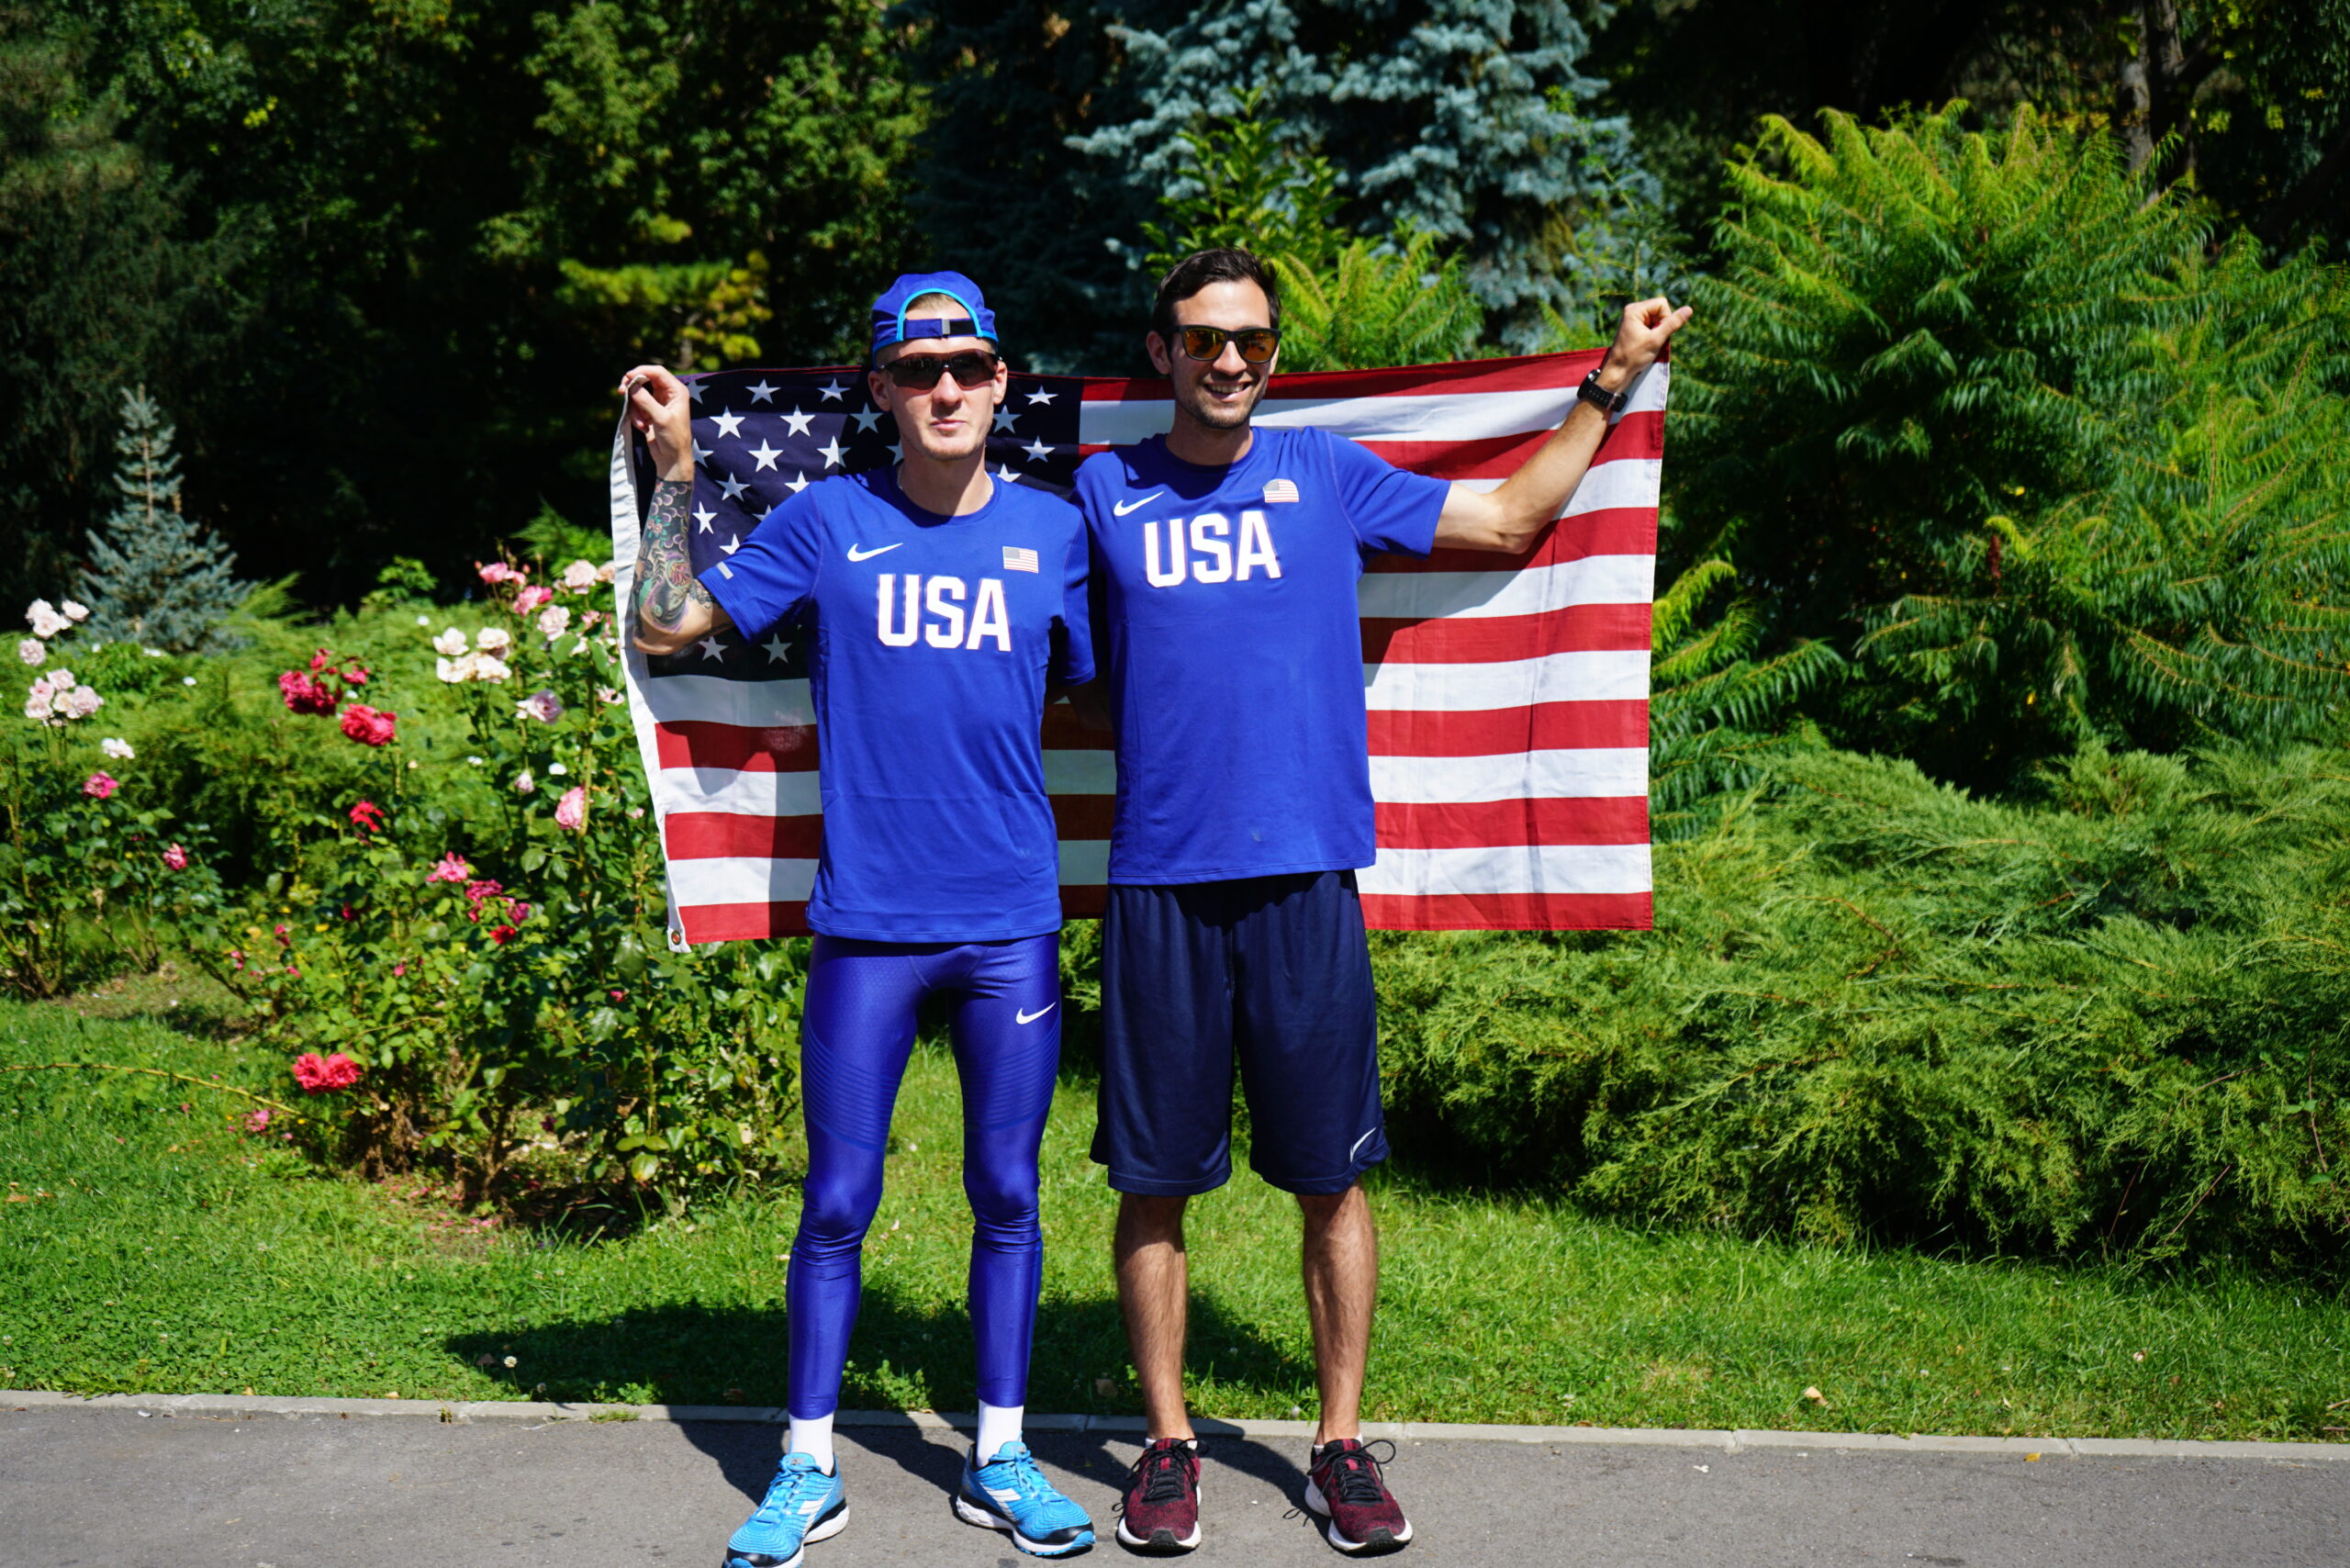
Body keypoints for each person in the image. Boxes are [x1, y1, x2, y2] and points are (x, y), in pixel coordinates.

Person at [1074, 248, 1690, 1556]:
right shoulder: (1097, 491)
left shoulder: (1323, 476)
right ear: (1162, 350)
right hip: (1158, 887)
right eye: (1201, 339)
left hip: (1306, 879)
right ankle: (1170, 1447)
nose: (1227, 359)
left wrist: (1612, 378)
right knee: (1153, 1187)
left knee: (1330, 1181)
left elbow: (1509, 519)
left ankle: (1341, 1444)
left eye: (1250, 340)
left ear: (1274, 354)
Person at [623, 271, 1098, 1567]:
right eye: (918, 369)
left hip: (1009, 918)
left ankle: (999, 1454)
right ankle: (806, 1467)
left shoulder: (1057, 534)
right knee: (837, 1199)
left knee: (1007, 1188)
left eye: (970, 367)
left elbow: (1091, 687)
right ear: (879, 390)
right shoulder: (829, 520)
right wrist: (676, 471)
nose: (946, 389)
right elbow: (667, 624)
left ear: (1004, 384)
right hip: (870, 924)